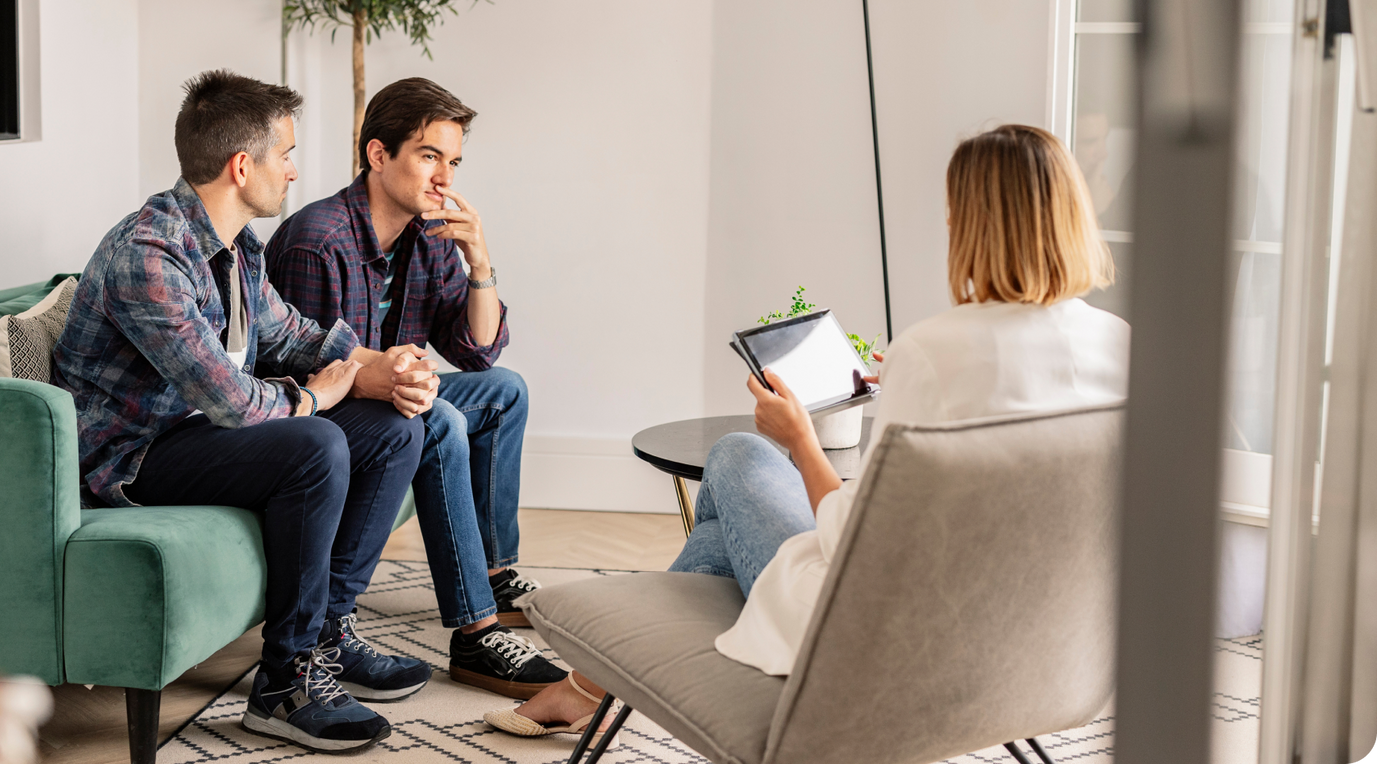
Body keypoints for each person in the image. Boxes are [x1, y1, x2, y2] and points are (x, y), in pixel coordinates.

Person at [483, 123, 1130, 739]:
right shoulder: (1121, 347)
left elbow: (853, 534)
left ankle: (597, 680)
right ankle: (592, 685)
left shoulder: (933, 352)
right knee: (717, 531)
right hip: (1036, 649)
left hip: (877, 641)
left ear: (972, 225)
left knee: (738, 454)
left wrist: (799, 440)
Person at [53, 70, 444, 753]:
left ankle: (326, 636)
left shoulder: (238, 250)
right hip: (131, 456)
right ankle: (282, 685)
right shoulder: (150, 256)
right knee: (314, 443)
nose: (295, 172)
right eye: (286, 154)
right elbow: (234, 403)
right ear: (243, 166)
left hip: (189, 435)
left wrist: (383, 368)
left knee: (390, 430)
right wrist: (321, 393)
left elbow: (292, 336)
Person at [266, 78, 564, 700]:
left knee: (503, 390)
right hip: (327, 417)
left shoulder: (429, 235)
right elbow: (304, 379)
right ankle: (476, 632)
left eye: (452, 162)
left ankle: (492, 573)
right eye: (429, 156)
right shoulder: (317, 241)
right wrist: (405, 382)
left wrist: (480, 262)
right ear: (378, 155)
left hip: (394, 394)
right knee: (444, 422)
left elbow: (476, 351)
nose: (444, 179)